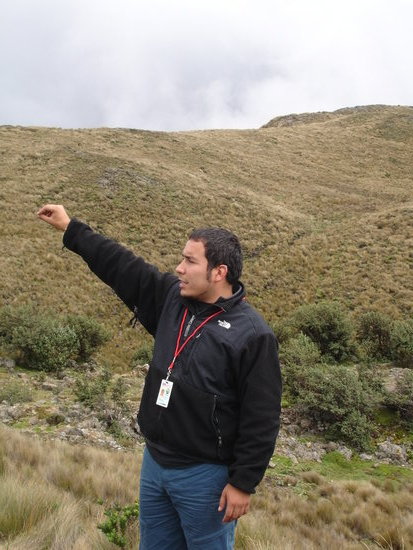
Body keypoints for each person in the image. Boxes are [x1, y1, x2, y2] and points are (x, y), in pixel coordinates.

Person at [37, 204, 282, 550]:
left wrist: (243, 483)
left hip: (205, 477)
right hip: (155, 463)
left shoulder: (253, 335)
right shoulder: (172, 298)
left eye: (190, 261)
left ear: (219, 272)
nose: (179, 268)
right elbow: (121, 265)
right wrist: (70, 228)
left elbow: (263, 416)